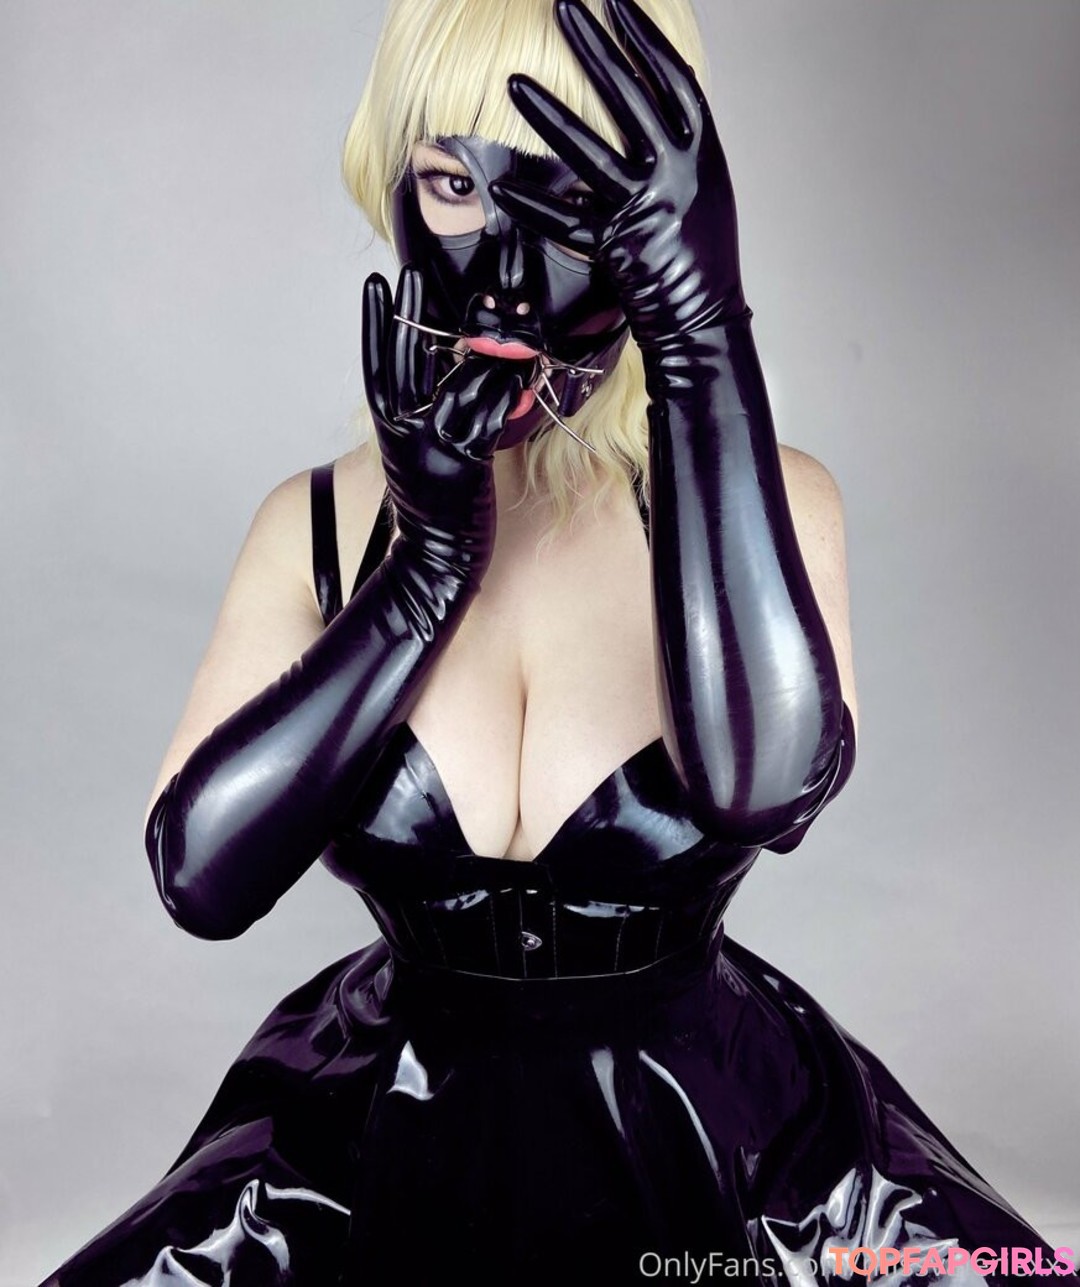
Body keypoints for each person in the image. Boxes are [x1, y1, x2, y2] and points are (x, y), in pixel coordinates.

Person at [40, 1, 1071, 1283]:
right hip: (362, 1154)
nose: (505, 278)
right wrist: (421, 578)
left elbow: (764, 790)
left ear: (667, 217)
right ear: (392, 183)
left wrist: (701, 333)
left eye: (572, 199)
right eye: (452, 185)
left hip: (727, 1165)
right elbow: (200, 878)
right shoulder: (316, 527)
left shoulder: (778, 507)